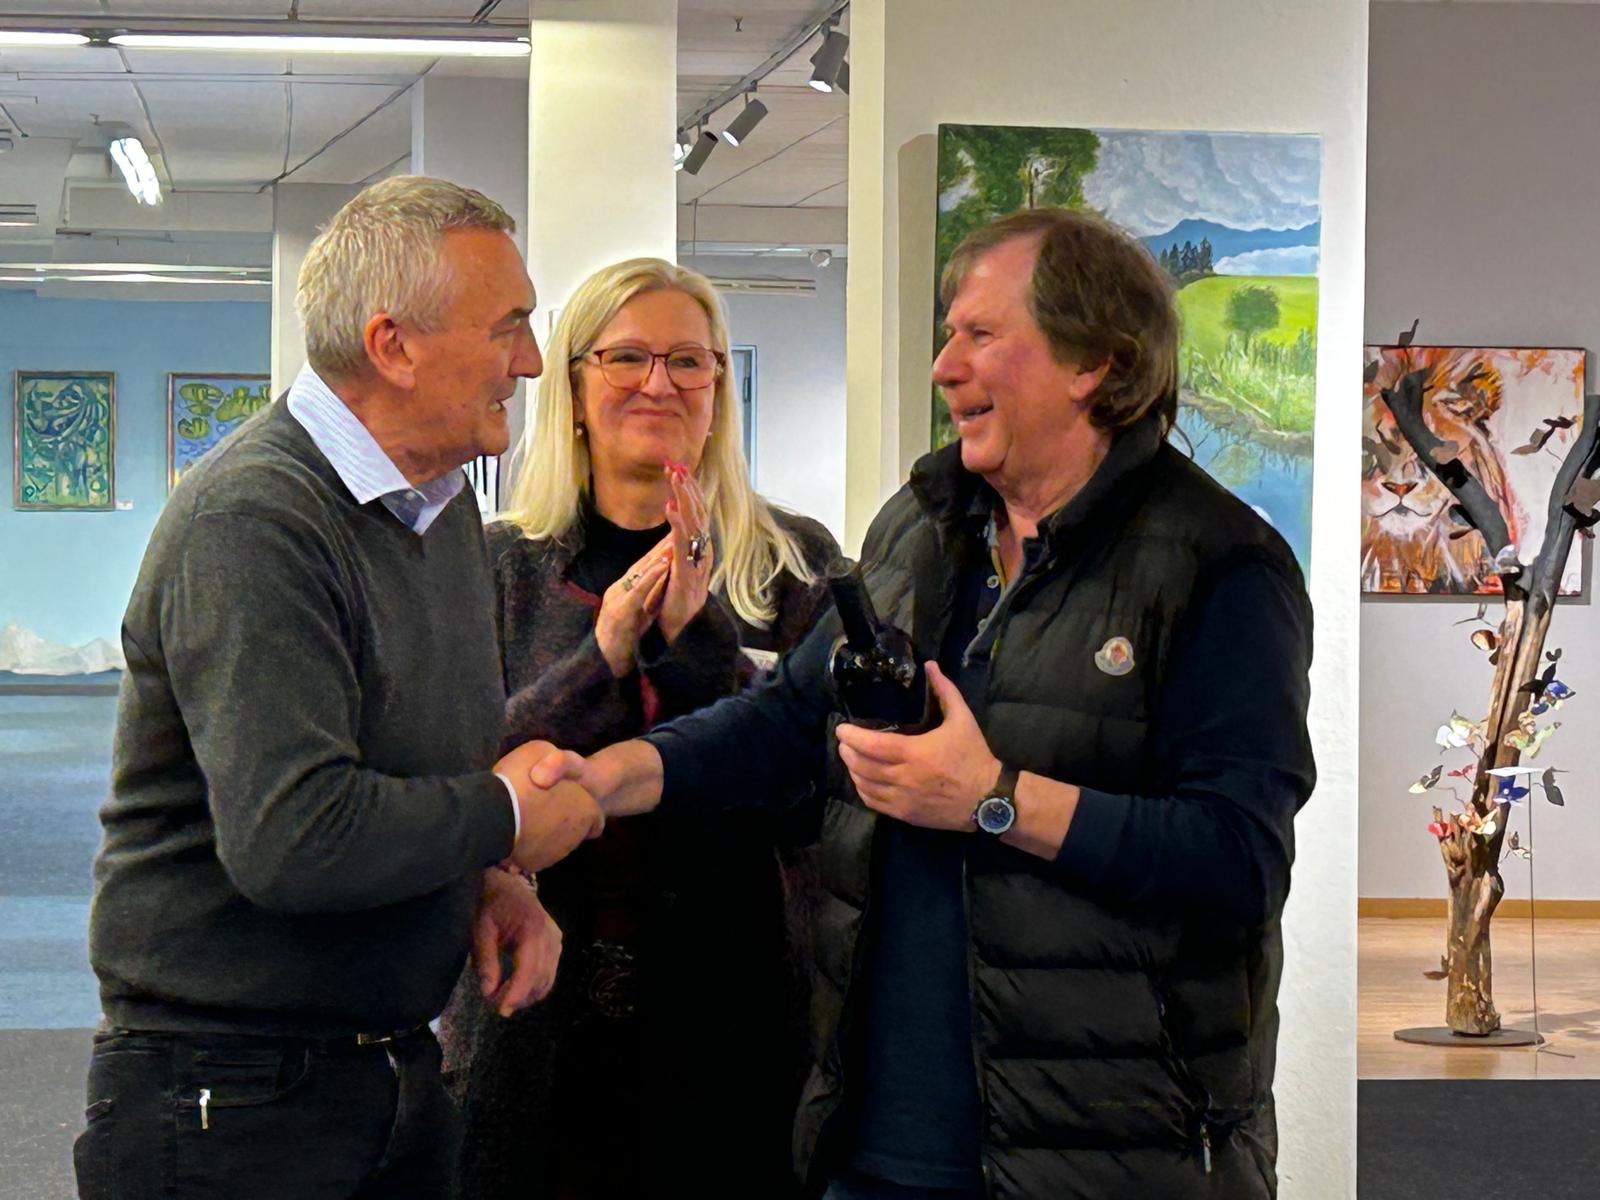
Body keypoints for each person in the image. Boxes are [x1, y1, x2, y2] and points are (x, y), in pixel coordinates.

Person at [532, 208, 1317, 1200]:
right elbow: (785, 722)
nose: (945, 368)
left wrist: (994, 798)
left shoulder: (1221, 565)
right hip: (877, 1144)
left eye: (980, 335)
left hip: (1106, 1156)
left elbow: (1237, 859)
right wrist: (600, 778)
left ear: (1092, 363)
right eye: (949, 336)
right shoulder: (919, 526)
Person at [74, 176, 604, 1200]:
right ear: (391, 345)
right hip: (231, 1101)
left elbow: (401, 768)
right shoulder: (256, 523)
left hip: (384, 1068)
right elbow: (295, 837)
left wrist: (481, 880)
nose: (531, 362)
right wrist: (504, 817)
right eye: (507, 327)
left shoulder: (435, 506)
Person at [441, 257, 839, 1199]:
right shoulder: (498, 567)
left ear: (718, 389)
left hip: (739, 1006)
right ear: (575, 388)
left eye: (688, 361)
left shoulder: (793, 564)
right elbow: (468, 780)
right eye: (627, 357)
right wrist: (606, 657)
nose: (659, 384)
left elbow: (814, 789)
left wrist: (699, 649)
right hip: (535, 1014)